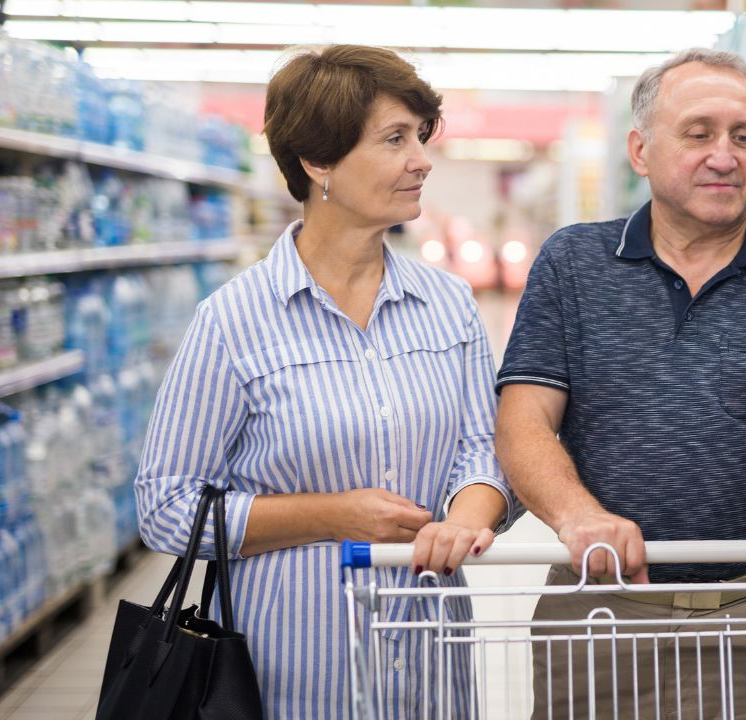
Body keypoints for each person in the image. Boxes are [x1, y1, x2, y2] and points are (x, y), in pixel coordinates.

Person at [495, 47, 746, 717]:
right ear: (641, 150)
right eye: (699, 133)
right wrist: (580, 516)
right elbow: (523, 421)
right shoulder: (574, 263)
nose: (725, 155)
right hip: (601, 606)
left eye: (743, 136)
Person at [134, 45, 517, 719]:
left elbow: (482, 448)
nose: (422, 159)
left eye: (420, 137)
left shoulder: (449, 304)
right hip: (292, 673)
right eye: (396, 139)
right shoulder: (232, 321)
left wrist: (467, 516)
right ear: (318, 162)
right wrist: (334, 515)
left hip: (428, 659)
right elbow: (165, 504)